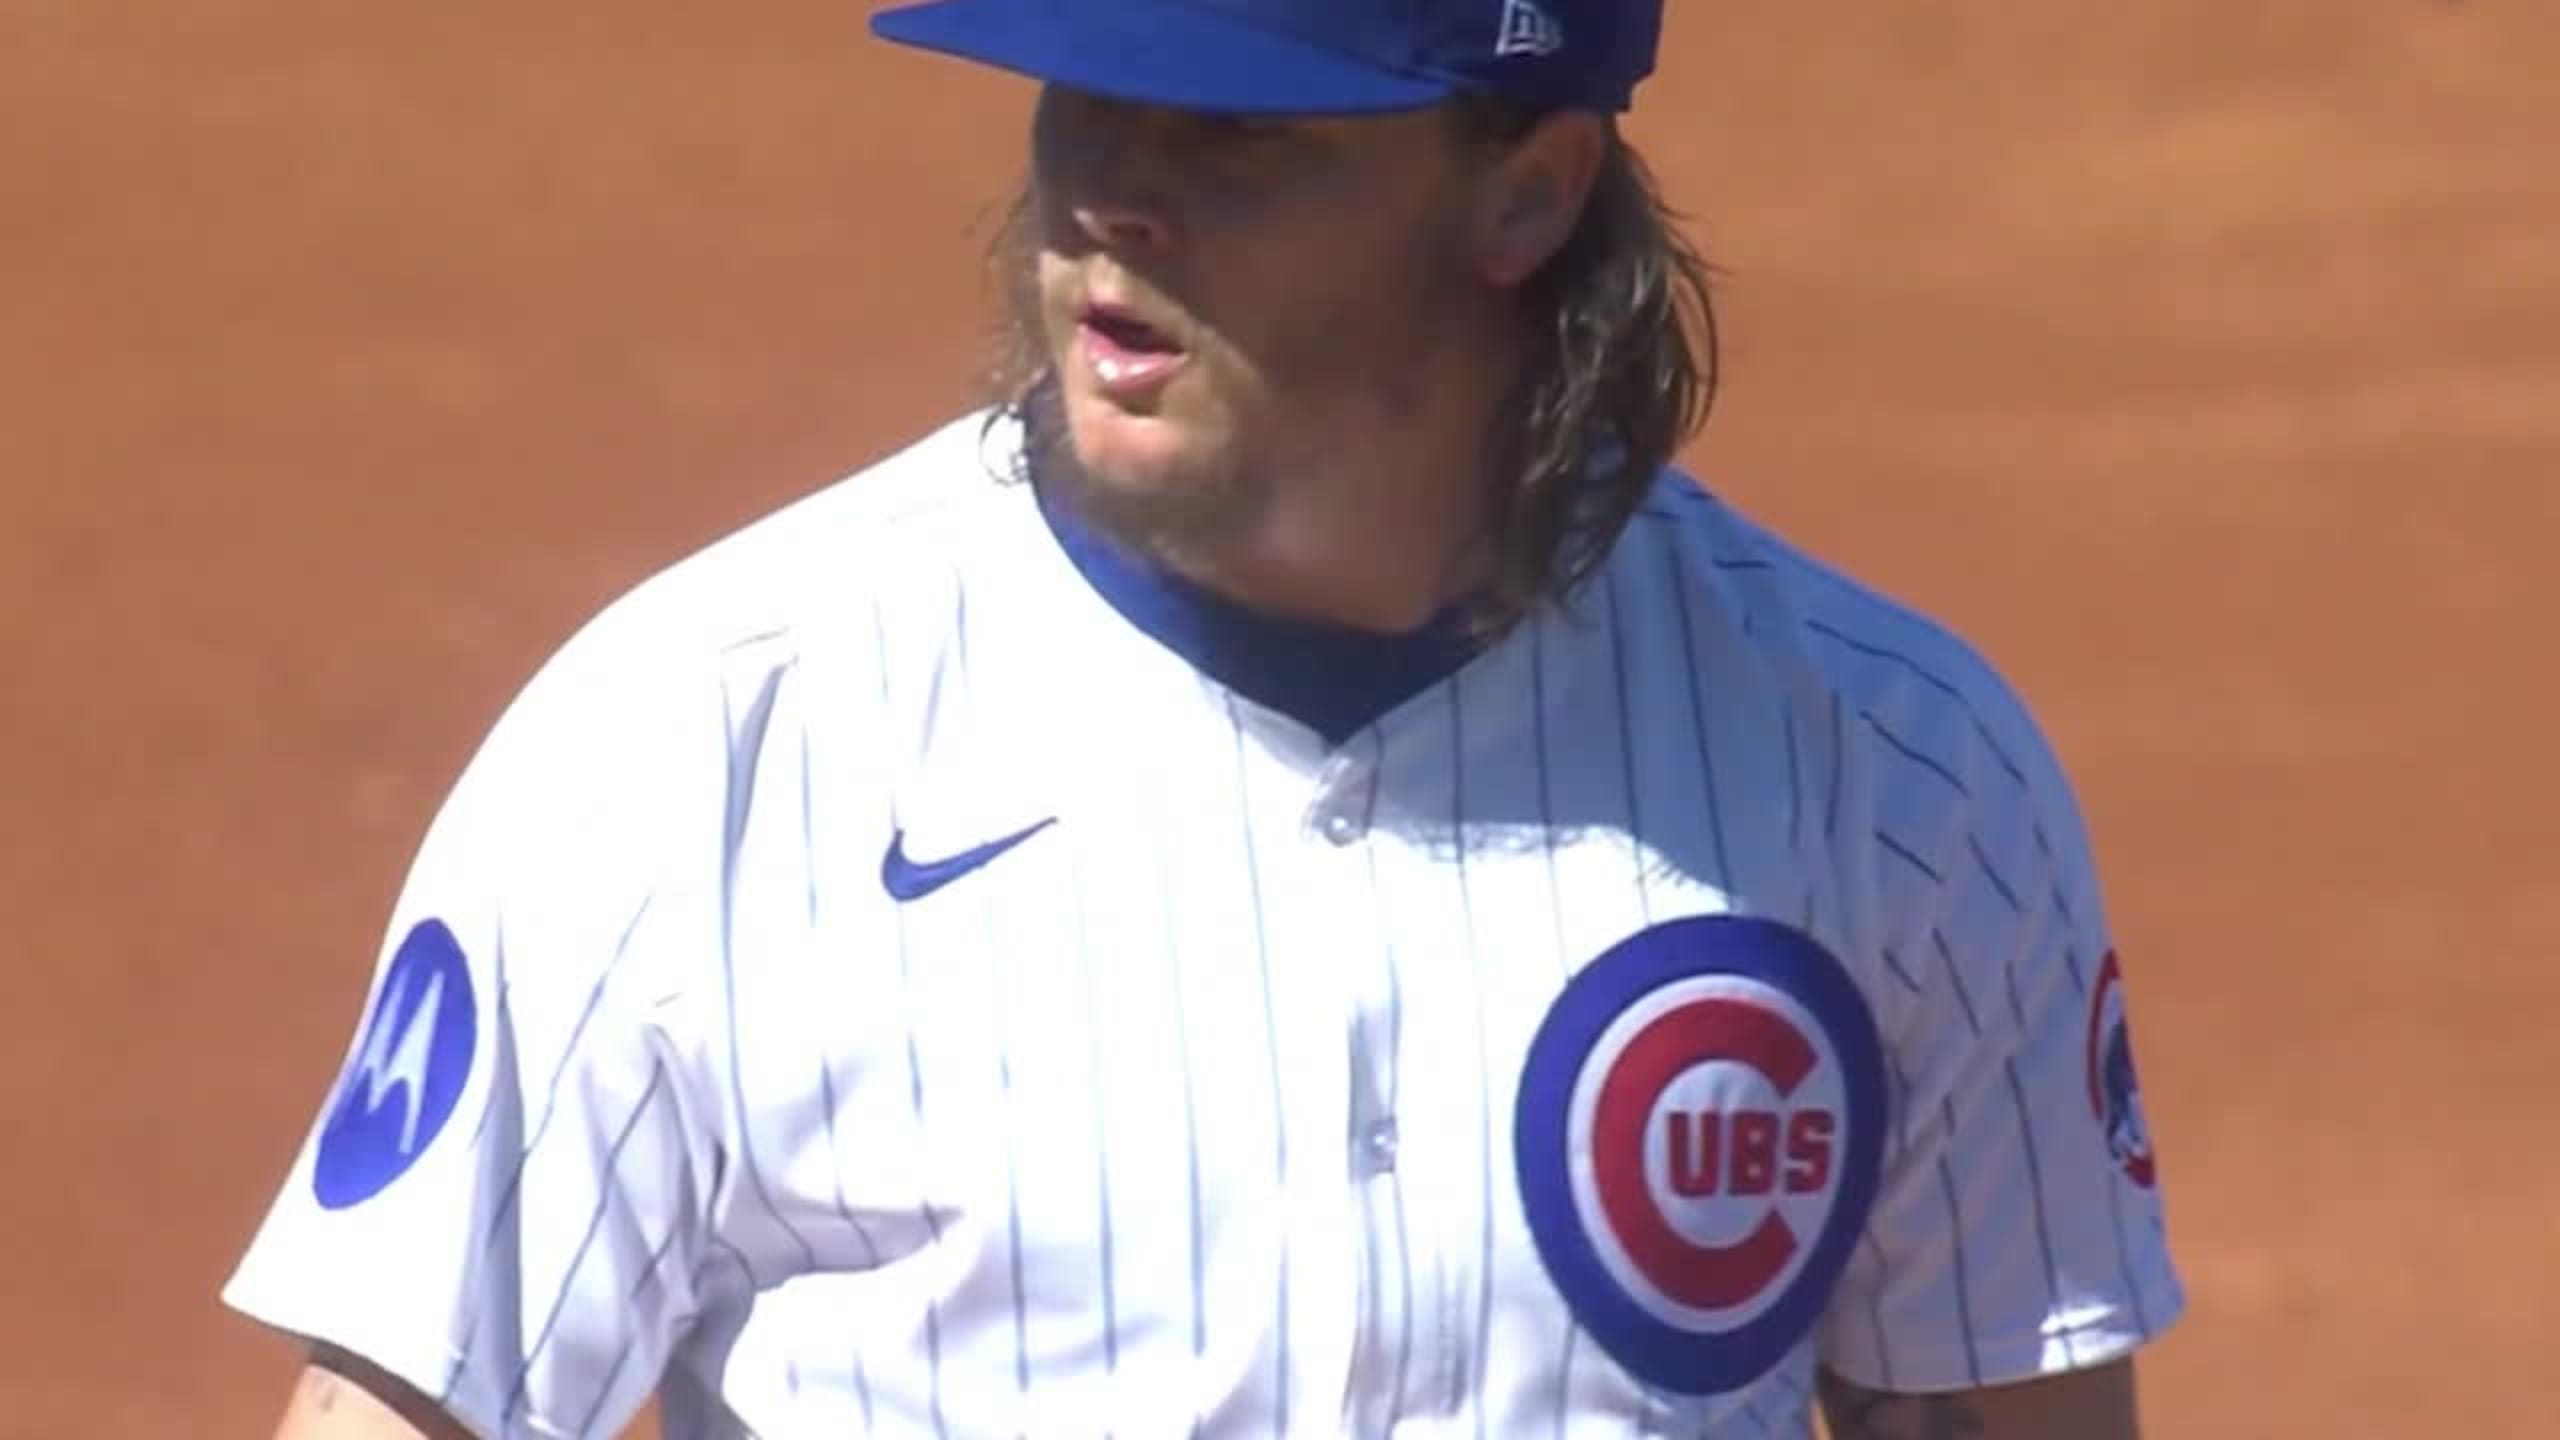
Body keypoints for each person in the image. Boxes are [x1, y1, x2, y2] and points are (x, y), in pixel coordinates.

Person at [223, 1, 2187, 1436]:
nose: (1110, 199)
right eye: (1085, 91)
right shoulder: (708, 749)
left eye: (1236, 130)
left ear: (1526, 193)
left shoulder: (1886, 781)